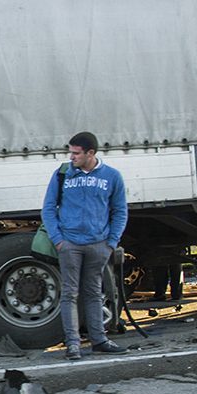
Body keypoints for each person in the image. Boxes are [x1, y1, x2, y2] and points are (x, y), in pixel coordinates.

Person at [41, 131, 129, 360]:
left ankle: (99, 340)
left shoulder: (112, 176)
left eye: (76, 153)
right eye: (70, 152)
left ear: (91, 153)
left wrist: (111, 243)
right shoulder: (62, 175)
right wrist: (58, 240)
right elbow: (48, 208)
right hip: (70, 243)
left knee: (93, 293)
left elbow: (120, 211)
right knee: (70, 293)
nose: (71, 157)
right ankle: (73, 345)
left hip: (98, 244)